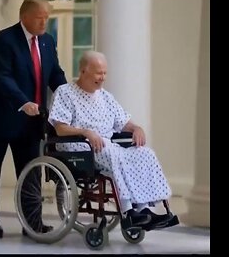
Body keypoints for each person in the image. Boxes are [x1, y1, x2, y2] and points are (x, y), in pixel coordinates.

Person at [0, 0, 67, 238]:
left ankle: (32, 222)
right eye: (39, 17)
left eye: (47, 17)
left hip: (31, 120)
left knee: (31, 172)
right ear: (24, 17)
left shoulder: (46, 41)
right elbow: (2, 76)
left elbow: (55, 74)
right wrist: (23, 102)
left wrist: (70, 98)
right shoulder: (5, 39)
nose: (44, 22)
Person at [48, 50, 177, 231]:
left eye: (105, 73)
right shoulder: (65, 92)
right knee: (112, 154)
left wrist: (136, 128)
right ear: (83, 71)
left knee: (144, 153)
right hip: (78, 146)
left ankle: (144, 210)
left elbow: (123, 122)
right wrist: (86, 132)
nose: (102, 78)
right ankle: (128, 211)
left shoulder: (106, 97)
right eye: (98, 73)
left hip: (105, 145)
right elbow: (60, 128)